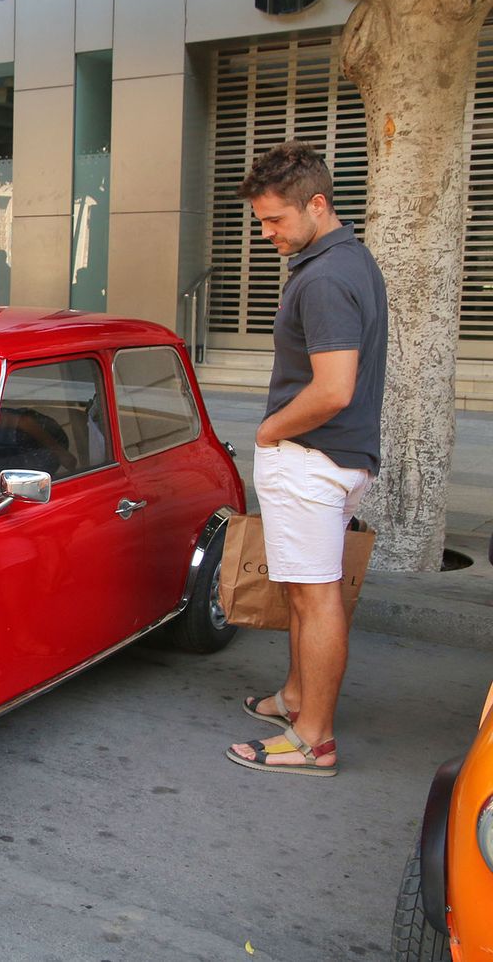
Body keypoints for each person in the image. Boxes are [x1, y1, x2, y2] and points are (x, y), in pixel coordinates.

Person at [227, 141, 387, 778]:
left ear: (317, 204)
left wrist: (269, 432)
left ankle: (313, 738)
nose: (268, 234)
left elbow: (333, 388)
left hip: (313, 459)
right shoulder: (349, 259)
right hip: (335, 459)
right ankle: (295, 699)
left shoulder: (323, 278)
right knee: (303, 592)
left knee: (317, 599)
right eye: (261, 221)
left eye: (276, 221)